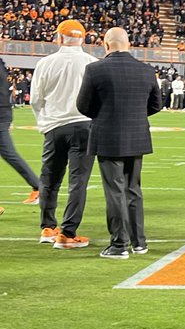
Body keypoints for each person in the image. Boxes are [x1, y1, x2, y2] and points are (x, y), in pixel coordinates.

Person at [75, 27, 163, 259]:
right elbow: (156, 104)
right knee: (133, 189)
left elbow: (83, 106)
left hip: (108, 136)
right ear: (129, 44)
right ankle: (139, 243)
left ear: (106, 45)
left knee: (115, 190)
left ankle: (119, 245)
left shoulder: (95, 69)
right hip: (137, 136)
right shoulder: (146, 70)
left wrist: (105, 115)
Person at [30, 19, 96, 249]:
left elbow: (36, 100)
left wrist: (44, 123)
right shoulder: (92, 63)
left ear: (59, 37)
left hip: (55, 127)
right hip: (85, 126)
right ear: (84, 38)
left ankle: (48, 227)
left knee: (49, 179)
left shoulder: (45, 63)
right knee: (78, 181)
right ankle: (68, 233)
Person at [0, 55, 41, 204]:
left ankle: (38, 186)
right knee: (10, 154)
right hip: (3, 114)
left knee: (10, 154)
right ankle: (38, 186)